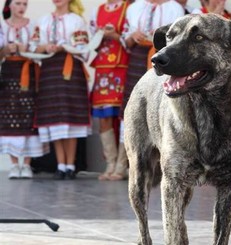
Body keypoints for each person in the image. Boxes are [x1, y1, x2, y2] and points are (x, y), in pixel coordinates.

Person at [118, 0, 184, 175]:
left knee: (163, 105)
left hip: (163, 59)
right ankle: (127, 163)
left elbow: (179, 39)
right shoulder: (134, 7)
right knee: (133, 107)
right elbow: (125, 37)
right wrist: (132, 36)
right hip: (139, 58)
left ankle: (164, 164)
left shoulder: (175, 8)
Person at [29, 0, 90, 180]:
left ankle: (70, 165)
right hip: (49, 70)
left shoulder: (76, 20)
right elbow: (33, 45)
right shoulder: (43, 20)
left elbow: (82, 47)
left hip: (70, 69)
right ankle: (61, 165)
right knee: (55, 118)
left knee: (69, 117)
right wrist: (46, 47)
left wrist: (64, 46)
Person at [0, 0, 48, 179]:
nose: (21, 7)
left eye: (24, 4)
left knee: (28, 115)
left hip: (29, 70)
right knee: (9, 115)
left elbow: (39, 47)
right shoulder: (2, 26)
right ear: (9, 6)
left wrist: (25, 48)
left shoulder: (33, 25)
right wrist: (6, 49)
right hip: (9, 73)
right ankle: (14, 164)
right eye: (18, 3)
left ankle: (26, 164)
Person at [89, 0, 130, 181]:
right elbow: (89, 42)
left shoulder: (128, 8)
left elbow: (131, 39)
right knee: (104, 116)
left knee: (123, 116)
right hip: (102, 68)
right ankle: (110, 163)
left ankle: (122, 165)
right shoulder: (97, 11)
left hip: (122, 67)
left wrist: (115, 35)